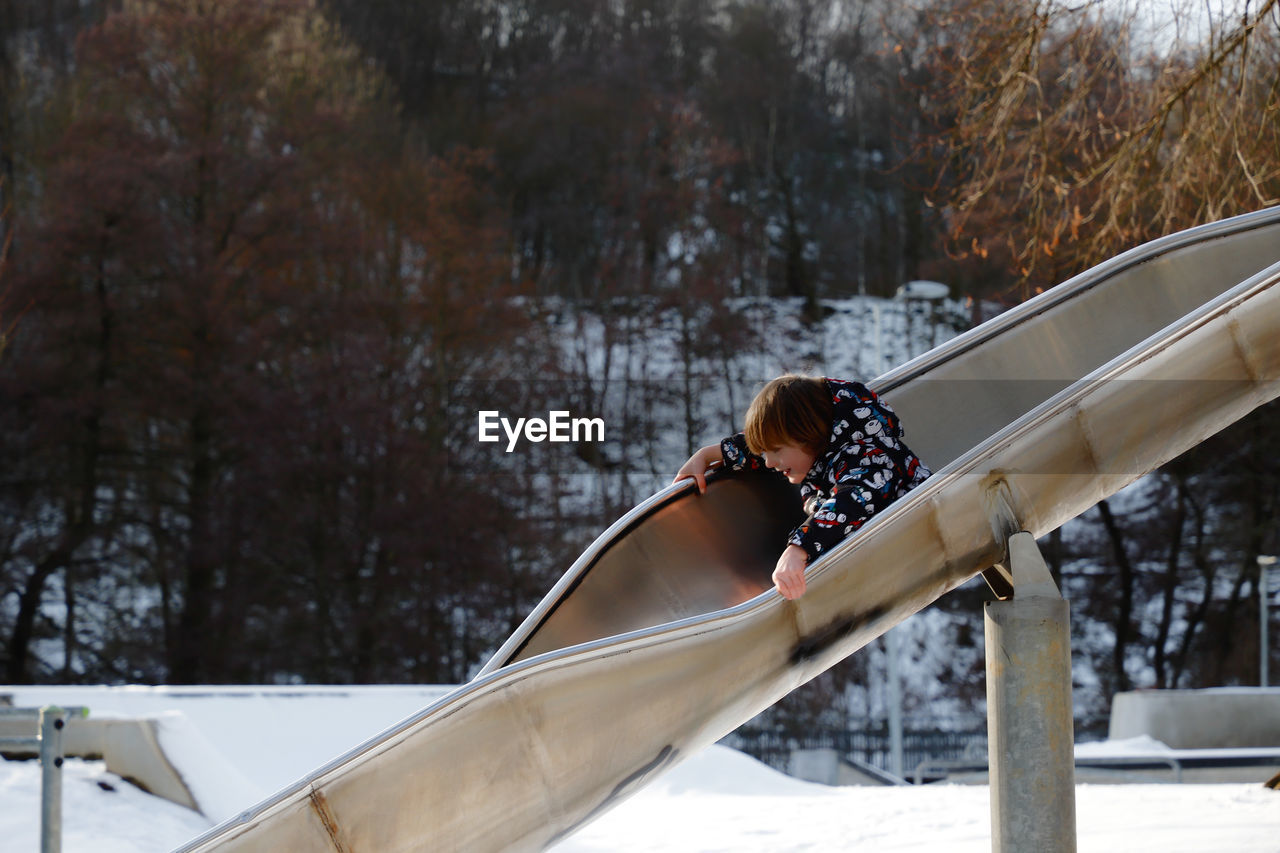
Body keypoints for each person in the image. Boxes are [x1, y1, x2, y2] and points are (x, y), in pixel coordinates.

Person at [673, 374, 931, 600]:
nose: (769, 462)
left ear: (808, 435)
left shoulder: (871, 458)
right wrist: (707, 455)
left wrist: (798, 549)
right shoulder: (821, 447)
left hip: (916, 534)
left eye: (775, 451)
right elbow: (762, 446)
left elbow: (851, 502)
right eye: (764, 451)